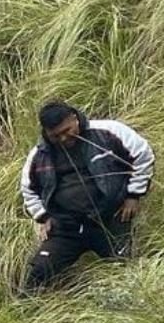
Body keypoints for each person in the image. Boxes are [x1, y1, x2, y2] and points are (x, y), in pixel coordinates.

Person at [19, 101, 152, 292]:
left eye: (67, 130)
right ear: (47, 133)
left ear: (74, 118)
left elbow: (143, 155)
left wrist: (134, 195)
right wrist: (42, 216)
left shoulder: (109, 131)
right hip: (66, 227)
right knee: (38, 272)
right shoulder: (39, 155)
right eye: (56, 135)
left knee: (127, 273)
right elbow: (28, 188)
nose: (64, 138)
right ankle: (25, 311)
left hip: (111, 218)